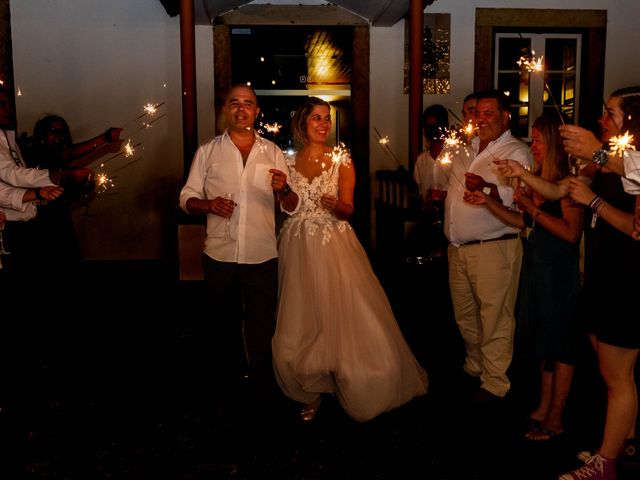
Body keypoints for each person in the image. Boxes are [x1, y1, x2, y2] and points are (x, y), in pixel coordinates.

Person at [271, 96, 427, 422]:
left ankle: (352, 379)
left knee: (341, 312)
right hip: (297, 244)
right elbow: (288, 207)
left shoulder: (341, 158)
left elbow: (348, 210)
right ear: (302, 123)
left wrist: (333, 206)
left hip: (333, 243)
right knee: (301, 315)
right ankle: (309, 387)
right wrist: (284, 191)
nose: (323, 123)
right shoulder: (286, 161)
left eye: (326, 118)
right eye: (316, 117)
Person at [179, 84, 299, 426]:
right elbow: (185, 197)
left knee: (262, 327)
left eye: (248, 103)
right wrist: (208, 204)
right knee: (222, 326)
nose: (241, 109)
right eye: (235, 103)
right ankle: (225, 393)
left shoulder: (273, 152)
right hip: (219, 253)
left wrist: (285, 189)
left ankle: (261, 393)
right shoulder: (208, 152)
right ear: (226, 110)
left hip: (262, 254)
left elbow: (290, 207)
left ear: (257, 111)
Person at [466, 113, 583, 441]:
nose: (533, 146)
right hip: (536, 270)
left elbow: (570, 233)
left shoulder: (569, 183)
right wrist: (488, 201)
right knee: (544, 344)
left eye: (538, 141)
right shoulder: (536, 177)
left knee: (561, 347)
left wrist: (532, 210)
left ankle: (556, 418)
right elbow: (522, 223)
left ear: (555, 145)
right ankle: (544, 406)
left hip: (559, 273)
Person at [444, 89, 533, 402]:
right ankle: (476, 364)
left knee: (495, 316)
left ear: (505, 116)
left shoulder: (515, 152)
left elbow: (517, 204)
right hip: (458, 248)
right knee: (464, 315)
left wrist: (486, 188)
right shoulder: (464, 149)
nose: (479, 119)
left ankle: (495, 382)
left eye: (487, 113)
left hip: (495, 246)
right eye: (475, 113)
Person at [19, 115, 122, 280]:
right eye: (53, 131)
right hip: (37, 226)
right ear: (42, 135)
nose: (58, 136)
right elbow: (68, 155)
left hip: (60, 222)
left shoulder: (60, 156)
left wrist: (83, 186)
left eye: (62, 132)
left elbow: (69, 154)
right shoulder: (30, 153)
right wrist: (104, 138)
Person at [0, 85, 64, 287]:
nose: (9, 109)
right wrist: (47, 181)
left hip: (24, 225)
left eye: (9, 104)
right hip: (8, 229)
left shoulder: (8, 136)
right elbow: (10, 175)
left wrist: (38, 195)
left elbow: (16, 172)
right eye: (2, 104)